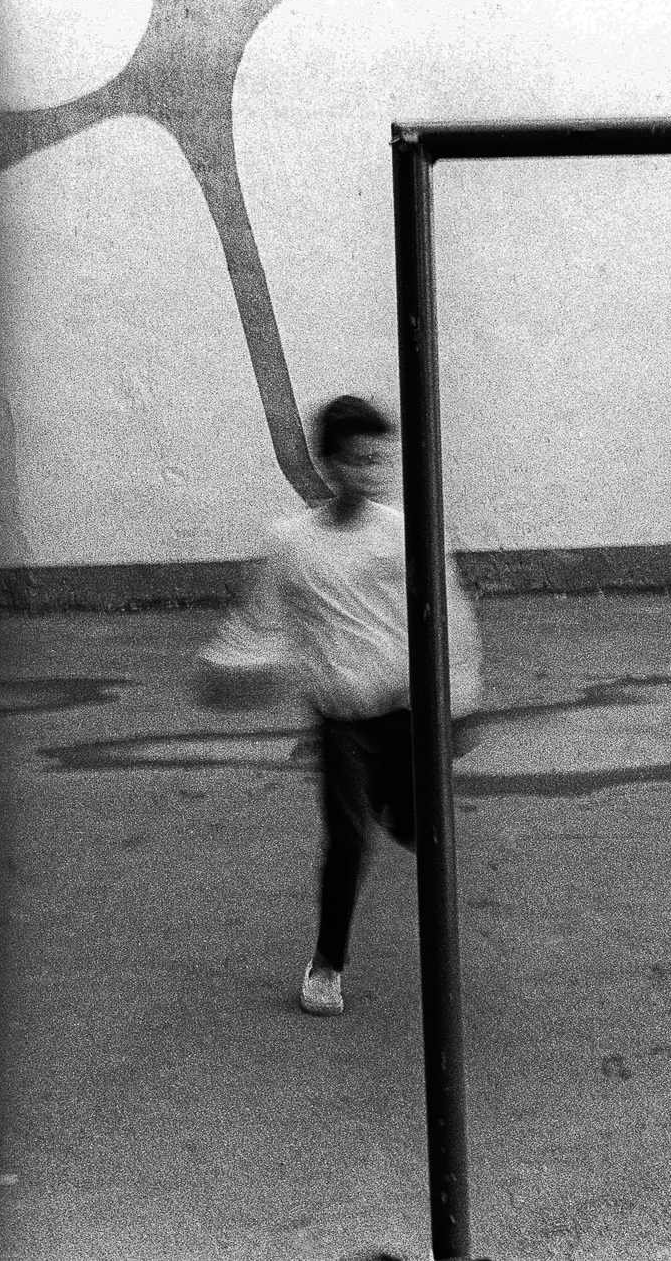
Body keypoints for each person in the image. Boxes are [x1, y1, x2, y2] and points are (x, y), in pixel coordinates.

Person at [195, 395, 482, 1016]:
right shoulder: (292, 544)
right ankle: (327, 964)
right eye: (356, 460)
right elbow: (260, 621)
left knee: (417, 828)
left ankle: (395, 809)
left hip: (406, 716)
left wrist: (459, 703)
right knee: (348, 840)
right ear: (328, 465)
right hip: (341, 722)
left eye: (378, 459)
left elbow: (449, 614)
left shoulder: (403, 533)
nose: (370, 471)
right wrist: (227, 666)